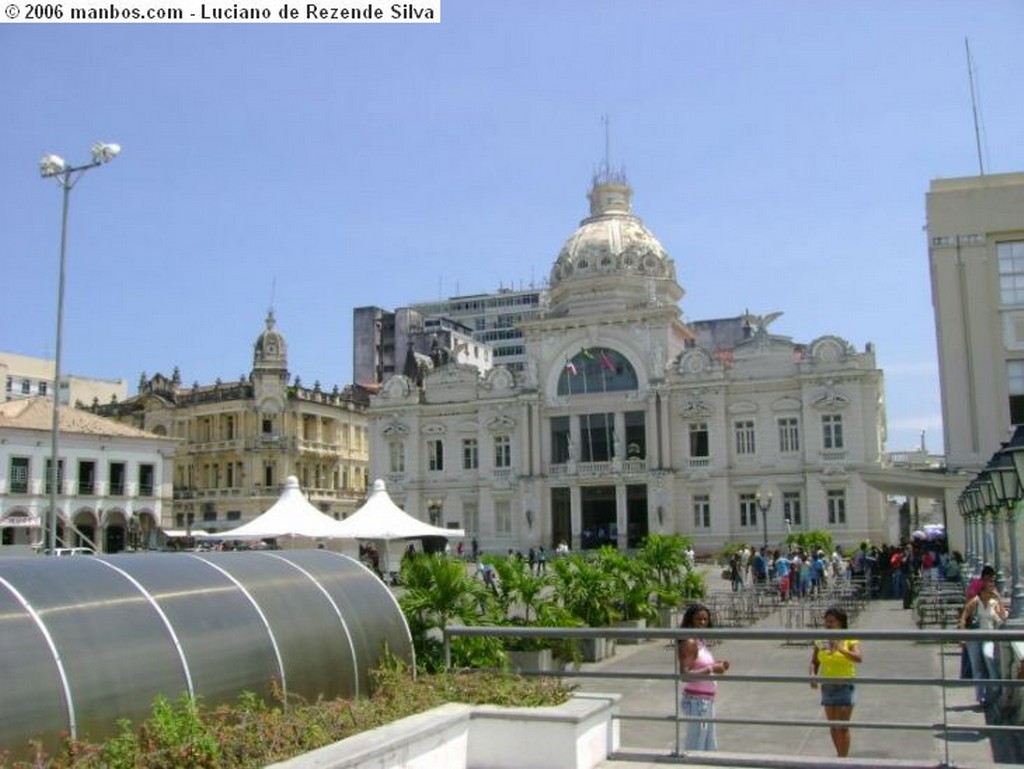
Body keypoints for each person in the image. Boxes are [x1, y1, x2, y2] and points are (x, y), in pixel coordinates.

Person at [810, 606, 862, 758]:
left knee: (843, 726)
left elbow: (858, 658)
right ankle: (840, 757)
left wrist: (841, 649)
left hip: (845, 685)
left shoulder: (849, 637)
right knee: (833, 726)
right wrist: (812, 674)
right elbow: (814, 661)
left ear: (841, 622)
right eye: (826, 622)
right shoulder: (821, 639)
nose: (828, 625)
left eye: (831, 622)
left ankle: (844, 760)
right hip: (828, 686)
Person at [677, 602, 730, 752]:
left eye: (705, 620)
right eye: (698, 620)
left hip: (706, 700)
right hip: (698, 702)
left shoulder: (700, 641)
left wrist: (718, 665)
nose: (702, 623)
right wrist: (711, 668)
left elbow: (700, 665)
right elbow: (684, 675)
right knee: (697, 746)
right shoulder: (690, 642)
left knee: (707, 746)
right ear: (690, 621)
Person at [959, 565, 1008, 707]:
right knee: (977, 667)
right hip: (974, 636)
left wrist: (999, 598)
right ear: (983, 582)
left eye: (992, 581)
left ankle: (995, 692)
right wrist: (962, 636)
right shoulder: (976, 600)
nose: (991, 584)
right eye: (988, 581)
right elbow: (964, 616)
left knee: (990, 658)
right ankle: (981, 698)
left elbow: (1003, 616)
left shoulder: (994, 602)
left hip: (989, 636)